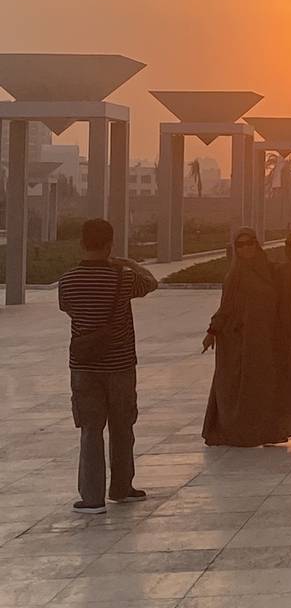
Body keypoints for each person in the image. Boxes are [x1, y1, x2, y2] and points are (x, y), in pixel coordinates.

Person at [58, 218, 158, 514]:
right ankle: (122, 487)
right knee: (122, 426)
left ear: (81, 243)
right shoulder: (123, 278)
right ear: (109, 245)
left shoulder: (67, 281)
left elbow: (68, 308)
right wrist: (129, 264)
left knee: (90, 429)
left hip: (84, 366)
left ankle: (91, 498)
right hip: (120, 365)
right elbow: (152, 283)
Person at [202, 228, 291, 447]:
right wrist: (212, 331)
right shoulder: (235, 276)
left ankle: (267, 431)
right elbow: (225, 308)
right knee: (244, 390)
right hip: (241, 342)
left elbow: (289, 277)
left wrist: (290, 248)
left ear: (257, 245)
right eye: (241, 245)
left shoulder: (269, 270)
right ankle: (241, 432)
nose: (246, 248)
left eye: (250, 243)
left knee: (266, 387)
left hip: (266, 341)